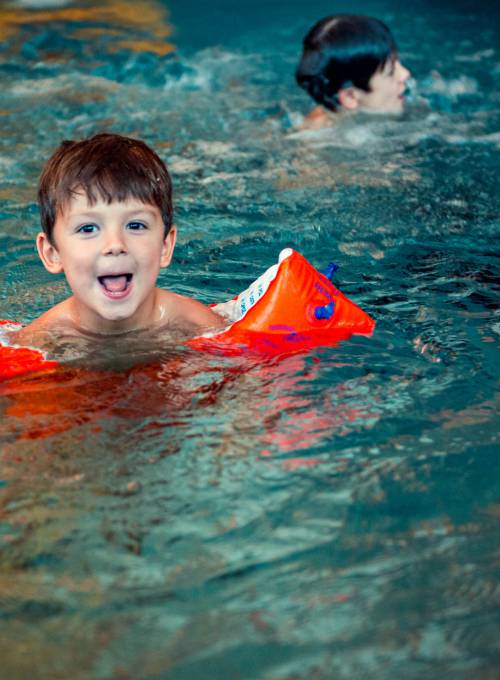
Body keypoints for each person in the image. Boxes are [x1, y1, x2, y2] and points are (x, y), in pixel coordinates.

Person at [15, 132, 224, 349]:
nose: (115, 245)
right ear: (52, 253)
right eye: (88, 228)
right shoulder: (38, 341)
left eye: (135, 225)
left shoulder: (200, 326)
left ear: (165, 246)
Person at [295, 14, 411, 128]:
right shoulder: (317, 143)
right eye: (390, 72)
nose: (406, 74)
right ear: (350, 97)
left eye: (397, 60)